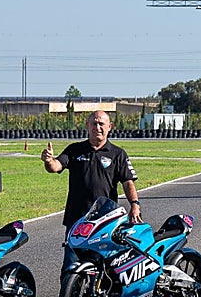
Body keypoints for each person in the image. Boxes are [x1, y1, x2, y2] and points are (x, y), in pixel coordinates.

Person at [42, 110, 140, 270]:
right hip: (77, 219)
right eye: (94, 123)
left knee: (105, 266)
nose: (97, 127)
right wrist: (48, 160)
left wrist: (134, 205)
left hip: (106, 220)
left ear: (110, 126)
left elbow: (128, 182)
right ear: (87, 126)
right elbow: (55, 167)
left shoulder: (117, 154)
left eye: (101, 123)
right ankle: (68, 294)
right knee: (71, 267)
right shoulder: (74, 150)